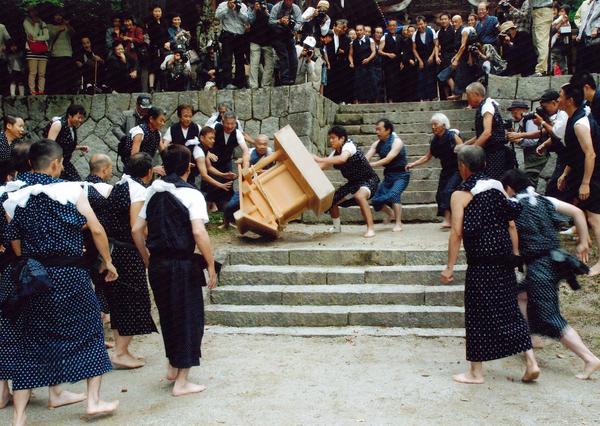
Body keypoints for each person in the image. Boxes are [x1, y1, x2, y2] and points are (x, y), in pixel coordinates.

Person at [4, 140, 119, 425]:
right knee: (91, 331)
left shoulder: (14, 196)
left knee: (30, 342)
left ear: (31, 164)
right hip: (71, 275)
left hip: (35, 278)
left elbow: (14, 240)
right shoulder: (72, 190)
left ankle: (19, 417)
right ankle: (92, 401)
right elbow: (95, 228)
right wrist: (107, 261)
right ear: (57, 165)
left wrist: (32, 262)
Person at [441, 145, 540, 385]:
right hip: (504, 259)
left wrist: (450, 267)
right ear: (484, 165)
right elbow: (512, 223)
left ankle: (476, 372)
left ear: (463, 167)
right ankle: (531, 362)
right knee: (509, 311)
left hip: (481, 263)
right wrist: (515, 254)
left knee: (477, 315)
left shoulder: (460, 194)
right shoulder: (497, 186)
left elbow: (456, 233)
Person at [132, 144, 217, 397]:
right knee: (188, 318)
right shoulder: (192, 195)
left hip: (158, 263)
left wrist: (147, 258)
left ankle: (172, 366)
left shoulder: (153, 192)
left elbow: (137, 230)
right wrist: (211, 264)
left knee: (168, 316)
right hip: (181, 264)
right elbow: (199, 232)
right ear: (188, 168)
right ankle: (181, 381)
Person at [501, 168, 600, 379]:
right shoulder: (545, 200)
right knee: (520, 296)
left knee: (551, 316)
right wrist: (583, 241)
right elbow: (578, 212)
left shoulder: (514, 206)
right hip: (555, 261)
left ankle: (589, 359)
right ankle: (529, 338)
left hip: (540, 266)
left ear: (509, 188)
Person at [103, 153, 157, 370]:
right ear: (149, 172)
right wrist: (145, 255)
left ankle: (121, 349)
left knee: (119, 300)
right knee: (133, 300)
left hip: (115, 249)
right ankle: (121, 352)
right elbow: (137, 228)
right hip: (129, 252)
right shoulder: (138, 190)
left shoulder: (119, 185)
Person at [556, 83, 600, 276]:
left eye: (560, 96)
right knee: (577, 207)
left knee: (595, 217)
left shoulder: (580, 123)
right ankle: (585, 243)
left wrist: (585, 183)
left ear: (569, 100)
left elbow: (590, 154)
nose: (558, 100)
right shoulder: (575, 117)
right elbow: (576, 153)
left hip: (593, 175)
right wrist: (565, 174)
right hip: (581, 172)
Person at [315, 125, 380, 238]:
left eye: (333, 138)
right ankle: (336, 228)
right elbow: (321, 166)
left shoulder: (349, 146)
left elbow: (342, 159)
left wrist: (319, 158)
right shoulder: (334, 153)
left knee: (360, 196)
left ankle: (370, 229)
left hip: (369, 180)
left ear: (342, 139)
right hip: (353, 184)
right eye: (330, 138)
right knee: (331, 200)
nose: (331, 141)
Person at [407, 113, 463, 228]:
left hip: (458, 169)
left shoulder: (452, 136)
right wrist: (413, 164)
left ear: (443, 125)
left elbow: (464, 150)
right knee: (440, 194)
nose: (433, 127)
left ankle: (452, 220)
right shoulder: (435, 140)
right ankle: (448, 220)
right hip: (446, 170)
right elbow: (427, 156)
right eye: (432, 125)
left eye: (435, 124)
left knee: (448, 191)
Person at [365, 119, 409, 232]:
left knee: (394, 194)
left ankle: (398, 223)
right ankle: (391, 214)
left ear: (388, 130)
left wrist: (372, 165)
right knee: (375, 200)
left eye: (379, 129)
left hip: (401, 175)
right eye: (376, 129)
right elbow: (366, 158)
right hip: (389, 176)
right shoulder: (377, 144)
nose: (377, 132)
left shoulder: (397, 142)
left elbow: (389, 158)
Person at [464, 82, 514, 179]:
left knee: (493, 181)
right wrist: (466, 144)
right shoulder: (485, 106)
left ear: (476, 94)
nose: (467, 98)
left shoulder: (487, 107)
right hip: (490, 152)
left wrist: (473, 150)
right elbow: (481, 133)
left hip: (494, 153)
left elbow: (487, 133)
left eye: (468, 95)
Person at [223, 134, 274, 227]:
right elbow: (245, 166)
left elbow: (274, 169)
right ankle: (226, 223)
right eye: (260, 144)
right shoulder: (250, 153)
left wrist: (263, 172)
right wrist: (248, 168)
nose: (262, 147)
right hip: (248, 184)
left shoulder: (270, 152)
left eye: (265, 144)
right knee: (230, 206)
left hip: (264, 186)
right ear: (255, 144)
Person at [203, 111, 250, 210]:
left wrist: (245, 167)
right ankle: (209, 206)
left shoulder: (237, 133)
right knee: (211, 186)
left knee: (228, 186)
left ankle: (226, 207)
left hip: (226, 163)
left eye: (232, 123)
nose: (229, 126)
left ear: (235, 123)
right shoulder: (215, 127)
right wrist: (208, 153)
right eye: (227, 123)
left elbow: (245, 151)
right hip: (211, 163)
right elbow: (202, 140)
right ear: (222, 122)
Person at [506, 100, 548, 189]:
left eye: (515, 111)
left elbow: (533, 141)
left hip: (537, 156)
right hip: (532, 157)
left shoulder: (529, 120)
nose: (513, 114)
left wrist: (517, 139)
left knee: (530, 183)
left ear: (523, 111)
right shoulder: (523, 122)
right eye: (512, 112)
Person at [45, 104, 90, 181]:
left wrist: (80, 148)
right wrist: (58, 163)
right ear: (70, 115)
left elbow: (65, 145)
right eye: (79, 117)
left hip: (65, 162)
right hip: (55, 163)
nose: (80, 120)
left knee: (77, 183)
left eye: (82, 118)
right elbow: (49, 146)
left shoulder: (72, 127)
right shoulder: (58, 124)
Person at [216, 0, 250, 89]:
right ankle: (227, 83)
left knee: (240, 59)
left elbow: (247, 19)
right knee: (227, 59)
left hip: (240, 36)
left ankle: (240, 83)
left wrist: (238, 11)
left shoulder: (242, 5)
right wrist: (228, 8)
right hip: (228, 35)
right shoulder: (223, 5)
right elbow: (217, 16)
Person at [163, 104, 201, 184]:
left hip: (191, 167)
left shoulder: (197, 128)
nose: (188, 119)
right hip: (175, 166)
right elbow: (164, 147)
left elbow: (202, 144)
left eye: (190, 116)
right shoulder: (172, 129)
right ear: (180, 117)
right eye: (185, 116)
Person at [270, 0, 303, 86]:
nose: (289, 2)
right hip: (277, 36)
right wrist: (280, 21)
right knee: (284, 57)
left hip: (289, 36)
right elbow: (270, 21)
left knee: (294, 59)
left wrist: (292, 25)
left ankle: (292, 80)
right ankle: (285, 80)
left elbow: (299, 22)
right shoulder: (276, 7)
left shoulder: (296, 8)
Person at [125, 106, 167, 173]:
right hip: (133, 172)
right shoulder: (139, 132)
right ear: (151, 119)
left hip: (147, 171)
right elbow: (134, 159)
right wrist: (153, 169)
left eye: (164, 121)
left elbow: (164, 153)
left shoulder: (157, 134)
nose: (163, 124)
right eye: (161, 120)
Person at [248, 0, 275, 89]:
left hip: (268, 40)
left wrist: (267, 13)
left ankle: (266, 84)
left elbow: (273, 21)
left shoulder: (270, 7)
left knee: (269, 64)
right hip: (255, 39)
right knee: (254, 63)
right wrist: (255, 11)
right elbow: (248, 20)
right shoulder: (251, 8)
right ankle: (253, 85)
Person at [47, 11, 75, 94]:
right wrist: (58, 30)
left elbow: (73, 33)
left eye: (60, 15)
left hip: (67, 53)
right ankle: (58, 93)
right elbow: (49, 37)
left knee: (67, 76)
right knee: (58, 76)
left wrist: (67, 25)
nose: (58, 17)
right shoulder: (49, 26)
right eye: (56, 15)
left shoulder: (66, 26)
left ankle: (67, 92)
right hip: (56, 54)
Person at [23, 6, 49, 95]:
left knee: (42, 73)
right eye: (32, 11)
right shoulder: (26, 22)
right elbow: (32, 34)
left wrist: (37, 38)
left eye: (35, 10)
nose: (34, 12)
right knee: (33, 72)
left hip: (43, 50)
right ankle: (32, 91)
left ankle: (41, 90)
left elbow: (47, 36)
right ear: (29, 12)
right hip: (32, 50)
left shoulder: (43, 23)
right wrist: (37, 25)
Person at [412, 16, 439, 101]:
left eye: (421, 24)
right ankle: (424, 98)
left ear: (425, 23)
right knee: (421, 78)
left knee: (431, 77)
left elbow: (436, 45)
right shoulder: (415, 34)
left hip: (431, 56)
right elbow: (414, 49)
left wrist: (432, 56)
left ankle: (433, 97)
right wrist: (419, 60)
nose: (420, 26)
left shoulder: (431, 31)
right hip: (421, 57)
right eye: (418, 25)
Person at [325, 19, 351, 103]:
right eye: (338, 27)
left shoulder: (338, 36)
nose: (339, 29)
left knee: (333, 81)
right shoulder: (329, 33)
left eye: (341, 28)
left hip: (334, 61)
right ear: (334, 26)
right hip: (327, 60)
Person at [349, 24, 376, 104]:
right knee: (358, 83)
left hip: (368, 66)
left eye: (360, 30)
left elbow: (374, 51)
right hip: (358, 66)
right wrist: (351, 62)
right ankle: (358, 100)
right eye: (357, 30)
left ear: (364, 31)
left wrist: (368, 59)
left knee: (369, 83)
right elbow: (350, 55)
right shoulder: (353, 42)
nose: (359, 32)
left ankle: (369, 101)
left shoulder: (370, 40)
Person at [146, 5, 168, 93]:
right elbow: (153, 37)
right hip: (154, 48)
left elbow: (166, 35)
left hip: (164, 48)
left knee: (162, 67)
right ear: (152, 13)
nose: (157, 13)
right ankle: (151, 87)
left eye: (159, 11)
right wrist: (162, 43)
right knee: (153, 68)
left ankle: (163, 88)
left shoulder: (164, 22)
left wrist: (167, 43)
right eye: (156, 11)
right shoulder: (150, 23)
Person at [379, 19, 401, 103]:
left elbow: (402, 50)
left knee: (397, 81)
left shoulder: (399, 37)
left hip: (397, 63)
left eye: (394, 25)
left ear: (396, 26)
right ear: (387, 27)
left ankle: (397, 99)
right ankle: (390, 99)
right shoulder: (385, 37)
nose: (392, 27)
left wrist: (402, 61)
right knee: (390, 81)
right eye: (390, 25)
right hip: (388, 64)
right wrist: (388, 54)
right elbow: (379, 51)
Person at [530, 0, 554, 75]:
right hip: (541, 11)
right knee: (537, 42)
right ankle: (546, 67)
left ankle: (541, 70)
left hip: (541, 11)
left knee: (541, 42)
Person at [436, 12, 456, 99]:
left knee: (448, 76)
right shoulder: (440, 32)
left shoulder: (453, 30)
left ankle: (454, 94)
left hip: (452, 56)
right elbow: (436, 45)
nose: (443, 21)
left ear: (449, 20)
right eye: (442, 19)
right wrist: (437, 56)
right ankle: (447, 97)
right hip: (443, 56)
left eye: (445, 19)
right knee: (442, 78)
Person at [550, 4, 571, 75]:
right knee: (550, 67)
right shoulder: (554, 19)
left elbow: (567, 31)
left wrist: (563, 26)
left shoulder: (567, 21)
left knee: (564, 68)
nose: (560, 13)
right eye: (560, 11)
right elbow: (552, 30)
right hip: (552, 47)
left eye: (562, 11)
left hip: (562, 49)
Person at [399, 25, 418, 102]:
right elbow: (403, 53)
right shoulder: (406, 41)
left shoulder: (417, 40)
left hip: (418, 62)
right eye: (409, 31)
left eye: (412, 31)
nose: (410, 33)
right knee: (409, 82)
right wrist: (409, 59)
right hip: (408, 64)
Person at [371, 26, 385, 103]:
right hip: (372, 67)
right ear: (374, 33)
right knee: (374, 84)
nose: (378, 34)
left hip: (382, 67)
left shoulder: (384, 42)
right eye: (377, 32)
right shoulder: (370, 42)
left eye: (380, 33)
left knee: (381, 86)